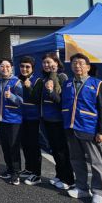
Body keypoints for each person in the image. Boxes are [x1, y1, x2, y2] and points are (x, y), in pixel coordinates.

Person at [63, 54, 102, 203]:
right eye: (74, 63)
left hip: (89, 128)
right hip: (71, 127)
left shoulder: (97, 84)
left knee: (96, 162)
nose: (77, 66)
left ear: (88, 67)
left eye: (81, 63)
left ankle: (99, 192)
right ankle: (82, 188)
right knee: (76, 160)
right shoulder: (68, 83)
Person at [33, 53, 73, 190]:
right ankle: (60, 175)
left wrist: (50, 91)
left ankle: (68, 179)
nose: (46, 65)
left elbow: (62, 101)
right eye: (44, 63)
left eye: (49, 62)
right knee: (54, 150)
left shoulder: (62, 77)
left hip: (58, 120)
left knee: (62, 150)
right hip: (47, 119)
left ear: (56, 62)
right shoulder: (44, 79)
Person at [0, 58, 24, 185]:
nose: (4, 69)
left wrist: (11, 97)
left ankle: (16, 173)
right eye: (2, 66)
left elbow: (22, 101)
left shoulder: (17, 82)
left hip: (13, 119)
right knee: (5, 146)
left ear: (12, 68)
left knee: (13, 146)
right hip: (1, 119)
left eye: (7, 66)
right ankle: (9, 169)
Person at [17, 56, 42, 186]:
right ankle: (28, 168)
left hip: (33, 118)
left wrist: (28, 87)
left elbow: (37, 99)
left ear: (32, 68)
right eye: (22, 66)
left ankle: (37, 174)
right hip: (21, 117)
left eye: (27, 67)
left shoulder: (37, 80)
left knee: (34, 146)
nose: (24, 69)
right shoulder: (17, 79)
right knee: (25, 144)